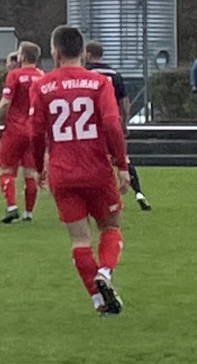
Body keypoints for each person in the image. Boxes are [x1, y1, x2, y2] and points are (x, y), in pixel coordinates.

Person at [34, 25, 129, 315]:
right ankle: (105, 273)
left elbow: (35, 133)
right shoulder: (99, 83)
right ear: (83, 52)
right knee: (110, 227)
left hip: (62, 172)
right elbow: (112, 124)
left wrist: (39, 167)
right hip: (96, 169)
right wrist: (122, 165)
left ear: (55, 53)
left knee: (79, 239)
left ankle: (99, 302)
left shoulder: (43, 86)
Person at [83, 42, 151, 211]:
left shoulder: (84, 74)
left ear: (89, 54)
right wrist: (124, 123)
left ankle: (97, 198)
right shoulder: (114, 74)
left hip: (90, 126)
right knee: (122, 158)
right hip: (112, 123)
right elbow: (124, 101)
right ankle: (139, 193)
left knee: (92, 160)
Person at [0, 42, 46, 223]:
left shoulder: (14, 75)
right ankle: (28, 213)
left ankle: (11, 206)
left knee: (5, 168)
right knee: (30, 171)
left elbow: (6, 101)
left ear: (22, 56)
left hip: (14, 129)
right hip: (34, 130)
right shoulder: (42, 76)